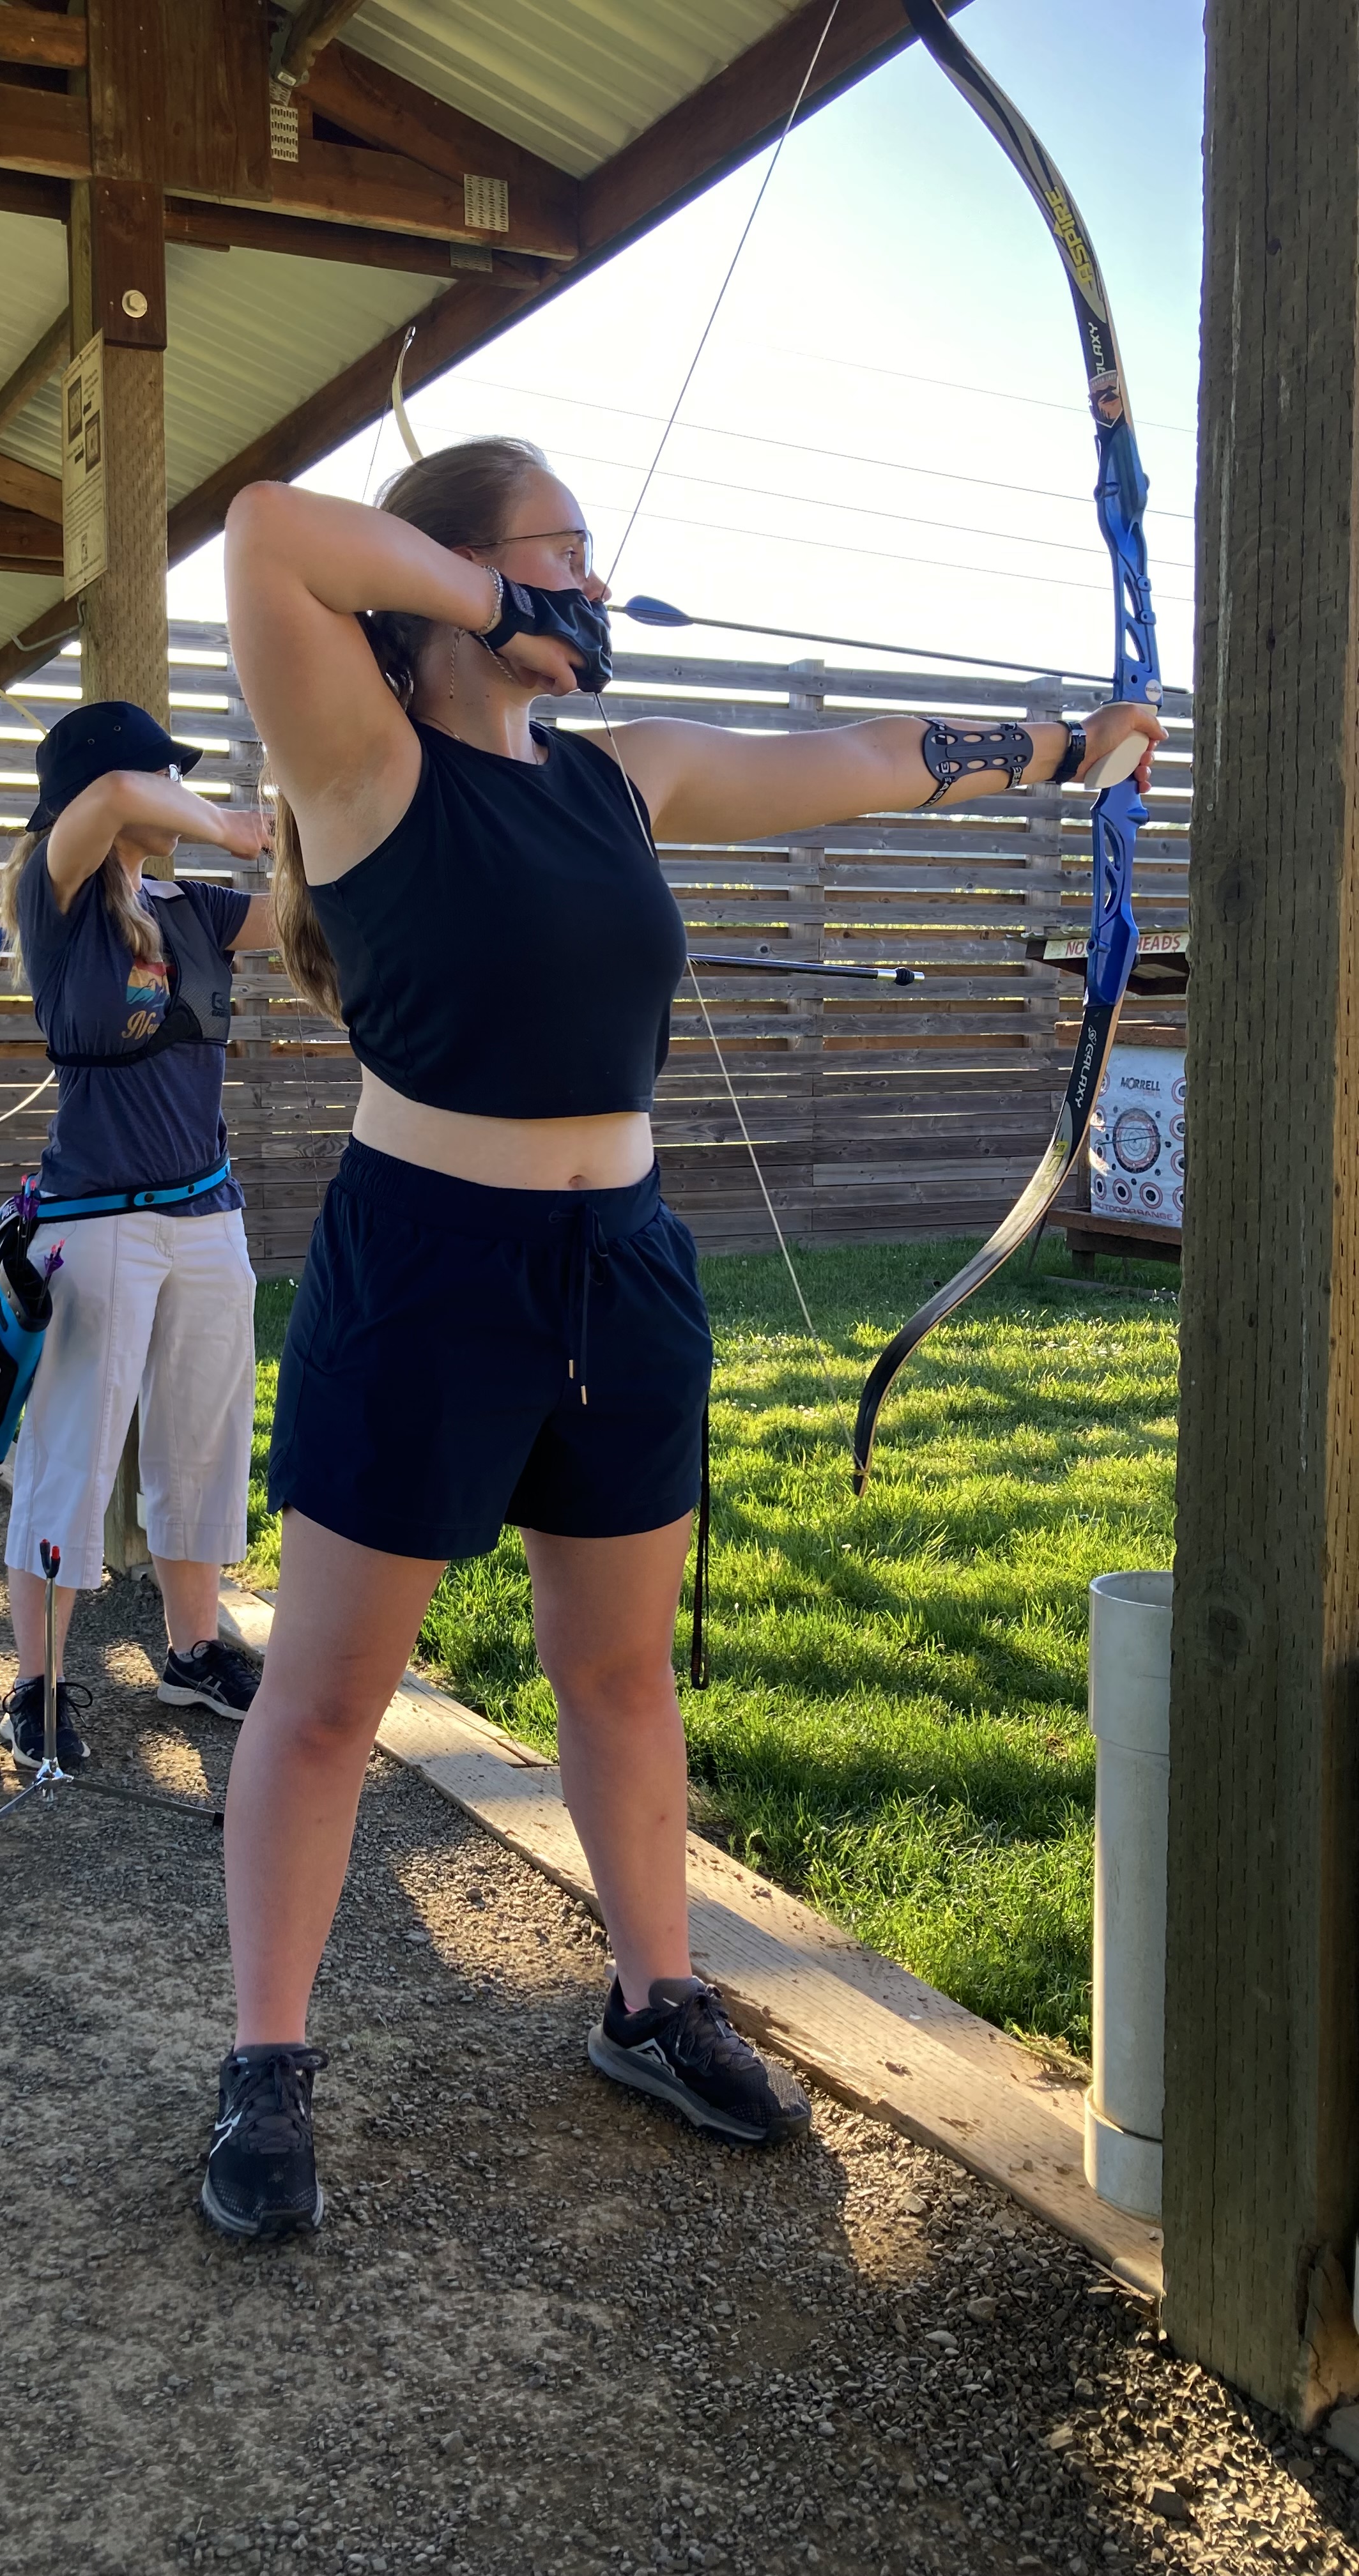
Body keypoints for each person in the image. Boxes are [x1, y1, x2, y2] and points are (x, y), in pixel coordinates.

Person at [204, 437, 1169, 2237]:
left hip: (626, 1267)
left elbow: (860, 760)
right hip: (428, 1268)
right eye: (553, 553)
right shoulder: (361, 763)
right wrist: (506, 595)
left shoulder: (620, 776)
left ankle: (655, 2000)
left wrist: (1068, 746)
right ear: (448, 584)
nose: (590, 583)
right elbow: (268, 530)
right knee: (329, 1698)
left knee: (622, 1671)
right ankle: (268, 2063)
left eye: (586, 557)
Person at [0, 700, 276, 1771]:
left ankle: (193, 1651)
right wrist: (231, 822)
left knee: (201, 1443)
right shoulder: (58, 890)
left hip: (207, 1217)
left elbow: (318, 917)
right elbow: (112, 794)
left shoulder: (195, 905)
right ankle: (38, 1684)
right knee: (72, 1452)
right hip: (95, 1223)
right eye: (168, 778)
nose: (176, 796)